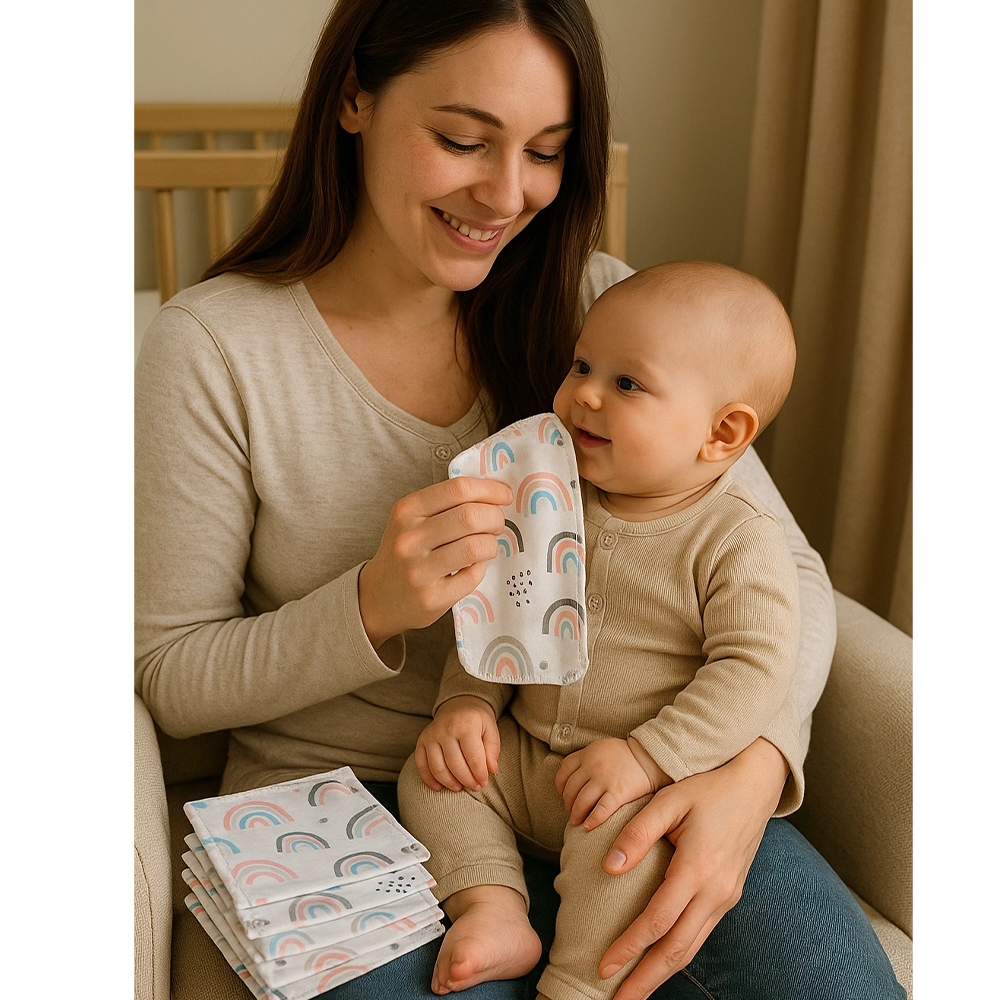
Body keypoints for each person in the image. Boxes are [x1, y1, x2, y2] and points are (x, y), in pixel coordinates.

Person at [132, 1, 905, 998]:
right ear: (355, 97)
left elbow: (781, 568)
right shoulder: (214, 349)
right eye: (462, 139)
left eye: (545, 151)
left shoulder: (604, 311)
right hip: (350, 791)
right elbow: (169, 672)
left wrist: (750, 764)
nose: (505, 194)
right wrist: (371, 603)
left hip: (623, 769)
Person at [398, 260, 807, 1000]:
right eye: (582, 364)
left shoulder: (735, 538)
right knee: (433, 778)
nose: (583, 392)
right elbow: (501, 606)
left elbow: (754, 668)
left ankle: (580, 982)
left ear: (722, 432)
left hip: (629, 782)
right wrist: (465, 706)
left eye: (626, 384)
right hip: (520, 760)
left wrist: (651, 758)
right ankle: (492, 910)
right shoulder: (549, 495)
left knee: (629, 854)